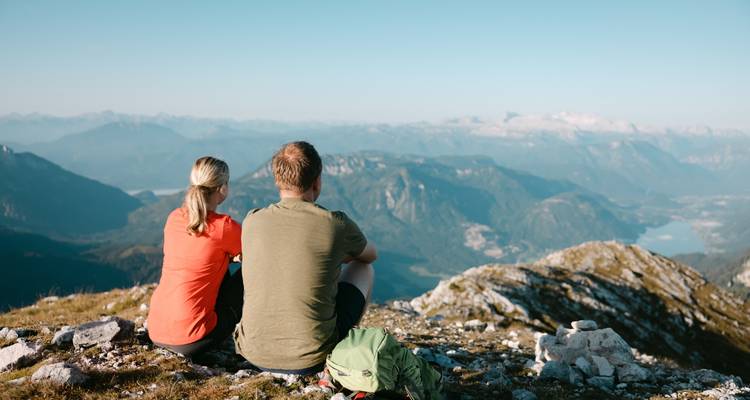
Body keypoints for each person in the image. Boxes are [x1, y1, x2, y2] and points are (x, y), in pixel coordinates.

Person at [234, 141, 377, 374]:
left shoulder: (252, 220)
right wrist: (339, 253)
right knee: (364, 269)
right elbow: (370, 255)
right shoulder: (334, 223)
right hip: (310, 358)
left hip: (252, 352)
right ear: (317, 181)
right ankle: (341, 353)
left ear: (277, 181)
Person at [147, 156, 243, 359]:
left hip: (156, 329)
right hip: (192, 338)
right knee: (246, 274)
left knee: (219, 265)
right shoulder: (225, 227)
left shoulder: (174, 217)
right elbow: (257, 255)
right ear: (222, 188)